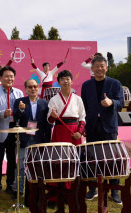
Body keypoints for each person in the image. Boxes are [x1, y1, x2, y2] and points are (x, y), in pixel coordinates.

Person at [81, 56, 124, 204]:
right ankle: (92, 189)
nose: (99, 68)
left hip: (109, 126)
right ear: (91, 69)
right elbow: (84, 107)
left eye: (102, 66)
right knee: (92, 159)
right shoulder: (86, 85)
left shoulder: (115, 83)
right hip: (92, 126)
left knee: (113, 159)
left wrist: (111, 101)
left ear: (106, 67)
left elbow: (121, 103)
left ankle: (115, 190)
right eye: (96, 66)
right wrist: (84, 125)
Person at [46, 70, 86, 208]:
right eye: (62, 79)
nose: (66, 81)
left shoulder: (78, 99)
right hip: (59, 133)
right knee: (58, 163)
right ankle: (55, 197)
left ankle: (71, 194)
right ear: (59, 82)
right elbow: (50, 121)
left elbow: (82, 118)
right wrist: (52, 115)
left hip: (74, 133)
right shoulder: (53, 100)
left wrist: (80, 133)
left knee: (73, 163)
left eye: (68, 78)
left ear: (71, 80)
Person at [11, 79, 52, 202]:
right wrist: (21, 109)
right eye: (30, 87)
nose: (33, 89)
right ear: (26, 89)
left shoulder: (45, 103)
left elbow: (47, 124)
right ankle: (19, 190)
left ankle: (37, 190)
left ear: (38, 88)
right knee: (21, 166)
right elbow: (16, 117)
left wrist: (47, 141)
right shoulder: (19, 101)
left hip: (39, 139)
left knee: (38, 166)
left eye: (35, 86)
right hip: (24, 138)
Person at [0, 66, 24, 197]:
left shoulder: (19, 93)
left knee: (12, 160)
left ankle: (11, 185)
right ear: (0, 78)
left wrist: (22, 110)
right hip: (0, 129)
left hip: (14, 130)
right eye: (6, 76)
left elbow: (23, 113)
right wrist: (2, 114)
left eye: (11, 76)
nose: (9, 78)